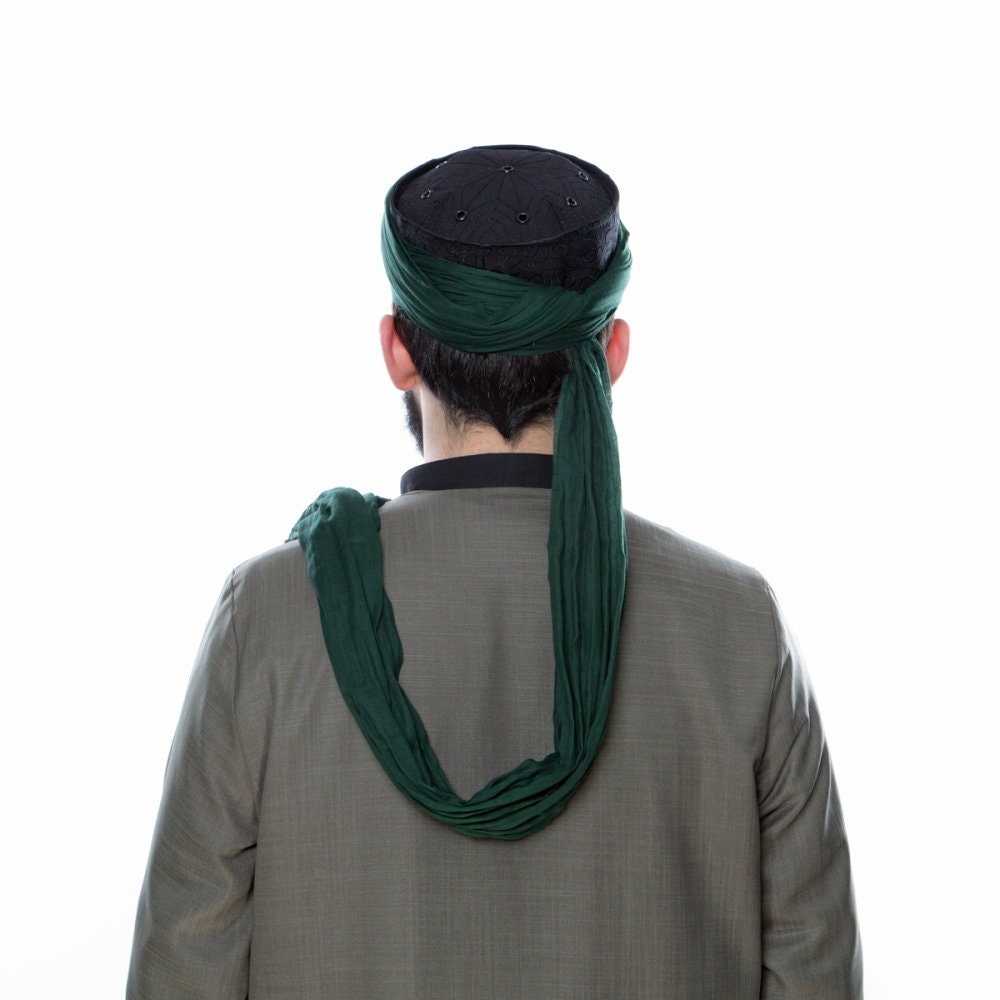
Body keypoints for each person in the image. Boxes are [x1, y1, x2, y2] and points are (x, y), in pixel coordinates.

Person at [127, 144, 862, 998]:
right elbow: (817, 975)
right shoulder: (737, 623)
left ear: (397, 351)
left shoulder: (268, 617)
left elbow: (181, 974)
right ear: (612, 352)